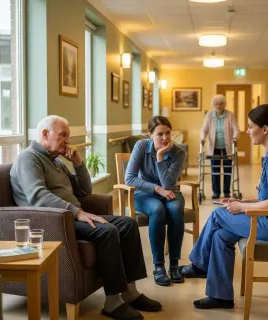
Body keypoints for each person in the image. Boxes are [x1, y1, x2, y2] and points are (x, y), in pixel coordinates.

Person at [10, 115, 162, 320]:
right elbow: (37, 196)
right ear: (45, 134)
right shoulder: (28, 158)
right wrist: (77, 212)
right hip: (53, 221)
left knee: (127, 224)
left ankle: (130, 292)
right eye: (63, 135)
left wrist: (79, 164)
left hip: (72, 215)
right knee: (107, 231)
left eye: (68, 136)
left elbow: (84, 190)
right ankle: (112, 301)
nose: (68, 141)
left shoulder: (56, 161)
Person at [180, 104, 268, 310]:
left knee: (217, 215)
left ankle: (198, 265)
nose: (247, 131)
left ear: (265, 129)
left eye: (251, 127)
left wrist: (240, 208)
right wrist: (240, 202)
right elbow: (266, 198)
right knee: (220, 235)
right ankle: (220, 296)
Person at [125, 116, 186, 287]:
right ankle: (159, 266)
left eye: (168, 133)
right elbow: (129, 179)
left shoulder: (179, 152)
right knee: (157, 209)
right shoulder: (141, 146)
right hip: (145, 194)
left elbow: (168, 183)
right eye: (160, 134)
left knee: (175, 209)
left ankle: (174, 265)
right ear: (150, 134)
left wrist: (160, 157)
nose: (165, 138)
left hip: (171, 192)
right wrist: (157, 189)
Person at [200, 94, 239, 199]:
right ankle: (216, 192)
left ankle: (226, 192)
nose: (218, 106)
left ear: (224, 104)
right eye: (216, 104)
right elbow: (204, 129)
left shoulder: (230, 115)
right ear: (213, 105)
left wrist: (234, 138)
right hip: (214, 147)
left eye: (221, 103)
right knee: (215, 170)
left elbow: (236, 129)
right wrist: (203, 138)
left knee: (227, 170)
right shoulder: (209, 115)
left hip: (227, 147)